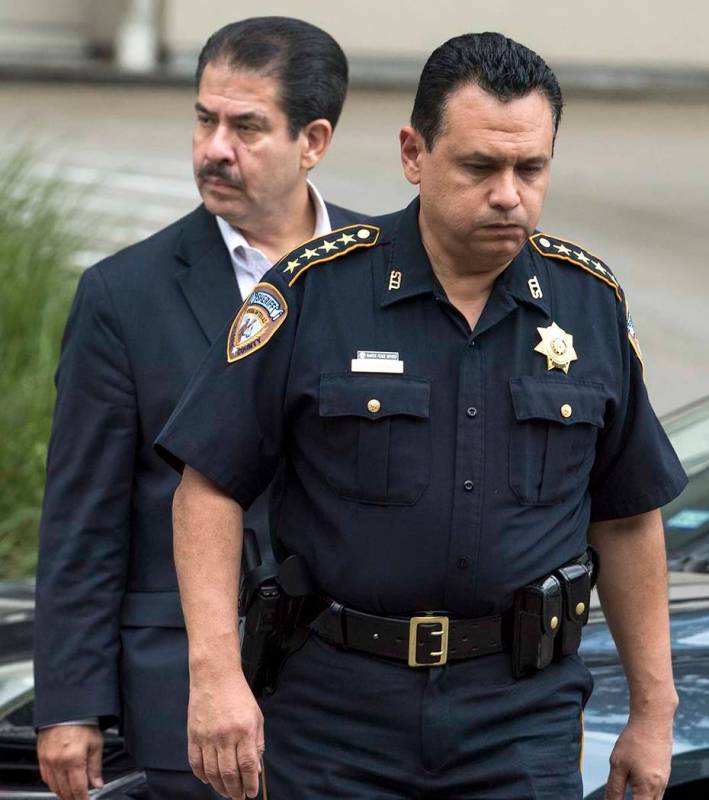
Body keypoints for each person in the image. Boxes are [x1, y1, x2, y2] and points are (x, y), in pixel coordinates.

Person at [155, 32, 687, 800]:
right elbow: (207, 488)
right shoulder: (314, 293)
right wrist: (214, 676)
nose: (508, 194)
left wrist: (652, 709)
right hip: (336, 712)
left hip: (518, 716)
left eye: (529, 169)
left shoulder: (588, 305)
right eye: (479, 167)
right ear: (413, 153)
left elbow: (628, 515)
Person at [33, 16, 363, 800]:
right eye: (204, 119)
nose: (214, 147)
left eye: (246, 126)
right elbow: (83, 516)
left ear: (312, 140)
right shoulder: (124, 294)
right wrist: (69, 703)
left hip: (356, 697)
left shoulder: (379, 270)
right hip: (182, 694)